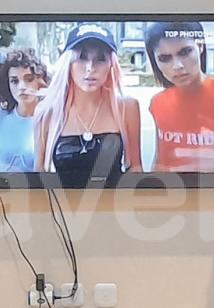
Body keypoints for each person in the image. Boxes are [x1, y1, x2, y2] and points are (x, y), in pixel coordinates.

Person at [33, 23, 141, 188]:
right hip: (64, 203)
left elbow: (135, 168)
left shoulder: (127, 107)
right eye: (82, 57)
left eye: (101, 59)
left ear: (111, 65)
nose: (90, 68)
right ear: (68, 63)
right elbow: (39, 173)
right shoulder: (47, 112)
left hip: (114, 202)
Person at [144, 21, 214, 173]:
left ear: (200, 47)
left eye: (185, 52)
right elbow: (160, 160)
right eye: (164, 58)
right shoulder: (158, 102)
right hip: (168, 186)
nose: (177, 66)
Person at [0, 48, 48, 174]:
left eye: (29, 79)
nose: (21, 87)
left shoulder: (50, 120)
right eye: (14, 81)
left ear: (40, 81)